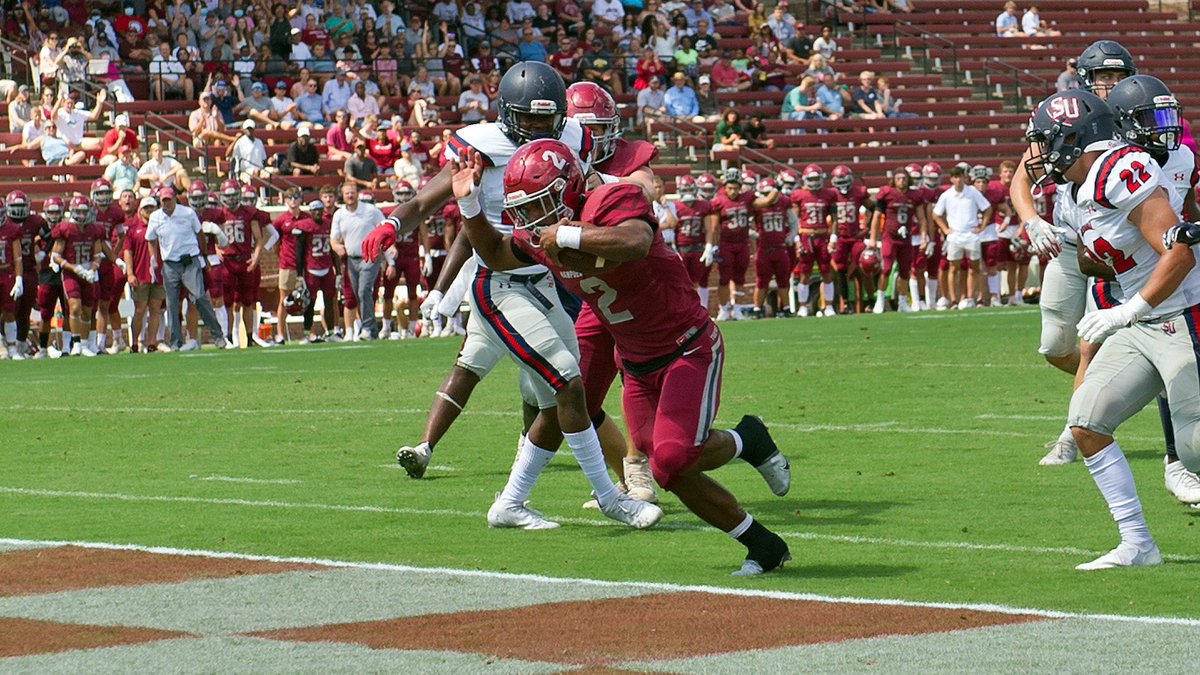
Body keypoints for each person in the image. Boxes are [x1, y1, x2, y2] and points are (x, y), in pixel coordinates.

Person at [451, 139, 792, 575]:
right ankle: (762, 538)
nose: (532, 219)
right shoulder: (544, 232)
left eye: (540, 204)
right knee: (665, 466)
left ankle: (749, 448)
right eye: (526, 209)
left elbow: (635, 240)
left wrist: (569, 233)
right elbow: (497, 254)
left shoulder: (613, 197)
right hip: (635, 362)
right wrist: (470, 206)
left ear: (567, 188)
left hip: (687, 346)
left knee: (671, 459)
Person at [365, 62, 661, 530]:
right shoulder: (480, 146)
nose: (541, 129)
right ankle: (610, 498)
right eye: (532, 119)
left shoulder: (576, 139)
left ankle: (511, 503)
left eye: (549, 120)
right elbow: (427, 201)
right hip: (499, 282)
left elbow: (592, 191)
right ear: (507, 114)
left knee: (560, 399)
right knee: (567, 383)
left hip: (548, 277)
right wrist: (393, 223)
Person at [1023, 89, 1200, 570]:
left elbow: (1179, 254)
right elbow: (1104, 256)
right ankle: (1138, 543)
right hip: (1143, 319)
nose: (1038, 152)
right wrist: (1071, 249)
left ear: (1072, 139)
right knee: (1086, 421)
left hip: (1185, 312)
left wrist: (1124, 311)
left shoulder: (1120, 168)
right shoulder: (1075, 190)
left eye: (1046, 140)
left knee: (1194, 449)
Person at [1011, 40, 1140, 465]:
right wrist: (1032, 220)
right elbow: (1021, 178)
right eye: (1103, 76)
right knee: (1054, 346)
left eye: (1117, 76)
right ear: (1085, 78)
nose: (1110, 85)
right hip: (1066, 244)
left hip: (1112, 247)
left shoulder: (1134, 115)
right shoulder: (1063, 113)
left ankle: (1073, 431)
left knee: (1089, 344)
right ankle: (1130, 382)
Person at [711, 170, 779, 321]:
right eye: (730, 188)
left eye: (736, 188)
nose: (733, 191)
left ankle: (737, 309)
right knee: (723, 278)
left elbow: (767, 201)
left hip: (742, 243)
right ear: (725, 187)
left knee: (740, 278)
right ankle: (723, 309)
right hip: (725, 244)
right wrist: (713, 245)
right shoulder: (719, 200)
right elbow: (714, 227)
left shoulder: (746, 198)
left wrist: (776, 188)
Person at [214, 180, 269, 349]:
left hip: (244, 260)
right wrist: (216, 249)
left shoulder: (248, 213)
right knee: (229, 302)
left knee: (248, 301)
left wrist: (256, 257)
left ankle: (250, 337)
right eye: (227, 196)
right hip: (228, 262)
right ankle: (229, 337)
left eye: (233, 196)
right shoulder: (219, 214)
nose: (230, 200)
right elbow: (211, 236)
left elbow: (259, 238)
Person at [49, 196, 104, 357]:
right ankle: (77, 343)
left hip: (87, 273)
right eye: (78, 211)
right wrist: (74, 268)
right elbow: (56, 256)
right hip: (71, 273)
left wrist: (92, 269)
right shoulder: (65, 228)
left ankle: (86, 344)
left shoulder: (94, 229)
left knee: (88, 310)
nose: (81, 214)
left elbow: (98, 254)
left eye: (83, 211)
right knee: (74, 307)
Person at [932, 166, 991, 310]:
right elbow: (936, 214)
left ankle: (971, 298)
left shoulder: (972, 192)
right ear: (951, 179)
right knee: (953, 268)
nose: (958, 180)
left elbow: (987, 208)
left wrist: (982, 227)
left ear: (964, 178)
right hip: (955, 237)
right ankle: (953, 300)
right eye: (955, 177)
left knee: (974, 267)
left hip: (971, 235)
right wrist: (945, 229)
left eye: (960, 176)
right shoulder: (946, 195)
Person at [331, 182, 385, 340]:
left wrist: (390, 253)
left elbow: (383, 228)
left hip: (370, 256)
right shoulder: (339, 214)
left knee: (364, 290)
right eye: (347, 193)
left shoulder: (370, 211)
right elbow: (333, 238)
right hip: (351, 258)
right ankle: (372, 328)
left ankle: (367, 327)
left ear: (357, 193)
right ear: (342, 195)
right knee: (357, 293)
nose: (350, 196)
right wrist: (337, 247)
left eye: (352, 192)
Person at [272, 189, 321, 343]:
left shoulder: (308, 218)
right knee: (284, 300)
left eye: (296, 197)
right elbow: (275, 243)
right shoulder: (281, 220)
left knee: (309, 300)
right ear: (285, 200)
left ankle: (310, 332)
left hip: (306, 265)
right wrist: (283, 258)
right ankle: (280, 334)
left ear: (301, 200)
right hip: (287, 265)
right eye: (290, 197)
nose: (293, 200)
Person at [868, 170, 919, 313]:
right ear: (894, 180)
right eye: (898, 178)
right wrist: (873, 238)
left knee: (905, 272)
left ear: (908, 180)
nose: (901, 181)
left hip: (906, 238)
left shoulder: (914, 196)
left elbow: (921, 217)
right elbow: (877, 217)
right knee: (886, 269)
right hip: (889, 238)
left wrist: (924, 235)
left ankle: (902, 302)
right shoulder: (887, 194)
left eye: (904, 178)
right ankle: (880, 300)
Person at [123, 196, 165, 353]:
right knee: (139, 309)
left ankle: (152, 342)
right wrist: (130, 273)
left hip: (159, 274)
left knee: (155, 308)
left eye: (151, 208)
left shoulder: (161, 226)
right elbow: (128, 251)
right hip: (141, 273)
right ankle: (135, 342)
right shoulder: (134, 229)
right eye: (146, 208)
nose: (149, 211)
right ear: (140, 210)